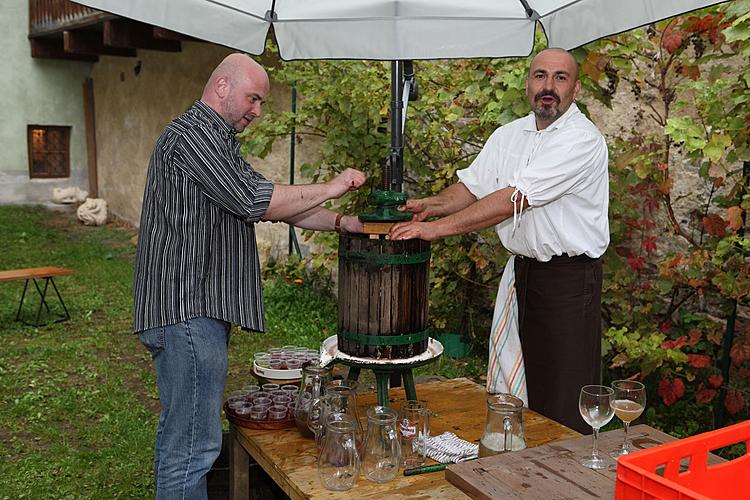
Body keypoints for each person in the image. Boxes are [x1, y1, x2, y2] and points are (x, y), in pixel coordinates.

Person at [133, 53, 366, 499]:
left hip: (193, 313)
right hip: (187, 311)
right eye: (253, 98)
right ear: (222, 86)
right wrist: (334, 184)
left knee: (183, 435)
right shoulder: (191, 137)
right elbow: (255, 200)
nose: (257, 111)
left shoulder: (217, 144)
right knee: (194, 447)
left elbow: (280, 206)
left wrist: (342, 223)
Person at [389, 48, 609, 434]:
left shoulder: (581, 140)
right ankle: (523, 474)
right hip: (523, 274)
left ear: (575, 89)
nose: (549, 86)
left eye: (560, 78)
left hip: (569, 283)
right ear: (528, 84)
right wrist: (429, 206)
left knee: (561, 397)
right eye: (540, 76)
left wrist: (436, 230)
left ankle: (564, 481)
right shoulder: (509, 136)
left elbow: (513, 199)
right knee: (515, 387)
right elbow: (472, 188)